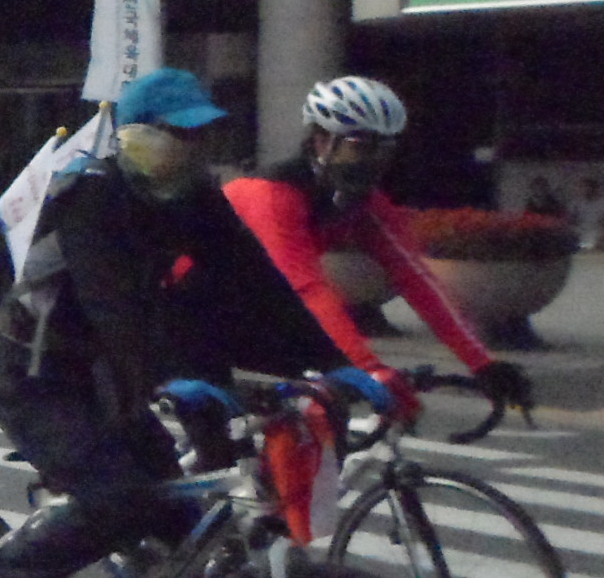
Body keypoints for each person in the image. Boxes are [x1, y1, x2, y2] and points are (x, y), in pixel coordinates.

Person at [0, 68, 375, 578]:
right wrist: (168, 379)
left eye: (199, 136)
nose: (190, 148)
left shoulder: (193, 197)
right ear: (134, 134)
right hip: (35, 376)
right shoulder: (91, 194)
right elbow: (113, 305)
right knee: (119, 495)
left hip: (104, 375)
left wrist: (334, 365)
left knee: (186, 526)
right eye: (176, 134)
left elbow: (258, 285)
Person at [223, 76, 533, 417]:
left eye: (385, 149)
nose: (374, 160)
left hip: (263, 314)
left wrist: (483, 364)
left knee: (321, 417)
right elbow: (307, 289)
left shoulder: (362, 203)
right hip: (196, 313)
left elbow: (416, 279)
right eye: (361, 146)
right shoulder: (271, 195)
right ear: (322, 140)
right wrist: (369, 368)